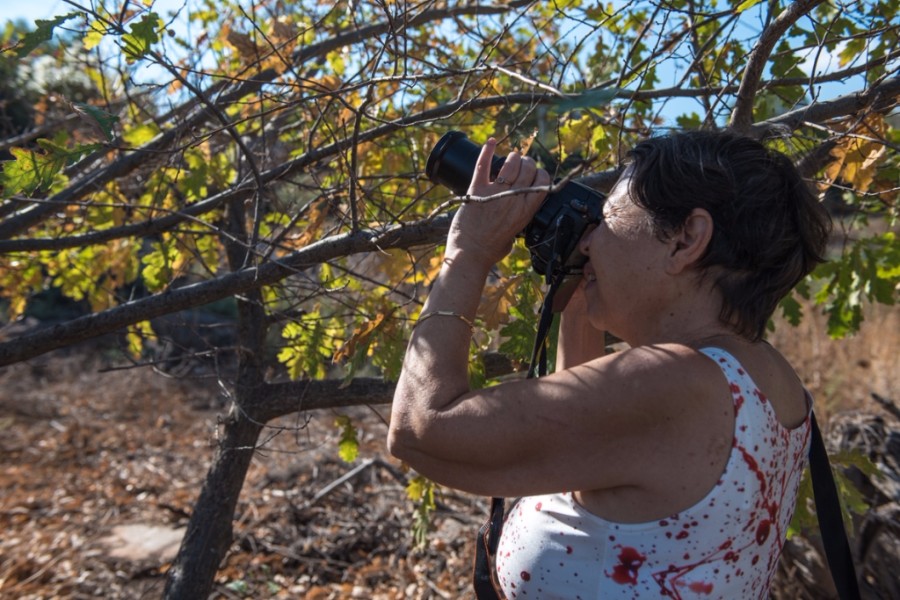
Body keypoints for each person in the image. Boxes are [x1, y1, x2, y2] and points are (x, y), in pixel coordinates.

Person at [388, 129, 831, 599]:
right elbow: (588, 457)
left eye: (608, 219)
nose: (588, 242)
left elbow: (421, 429)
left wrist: (468, 252)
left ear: (686, 240)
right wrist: (583, 295)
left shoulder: (675, 384)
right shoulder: (768, 377)